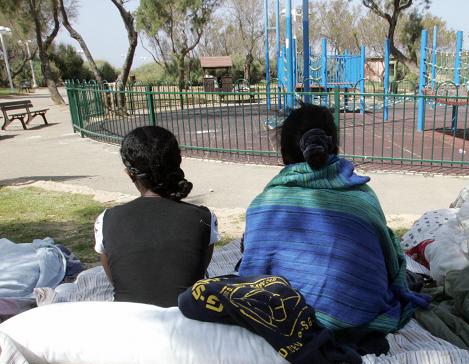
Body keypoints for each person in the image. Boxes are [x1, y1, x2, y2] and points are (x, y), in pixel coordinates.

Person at [238, 104, 428, 333]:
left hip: (286, 320)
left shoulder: (262, 206)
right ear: (334, 146)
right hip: (360, 316)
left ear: (284, 153)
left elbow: (252, 277)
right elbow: (388, 263)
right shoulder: (363, 198)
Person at [94, 126, 219, 307]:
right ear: (179, 162)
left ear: (129, 173)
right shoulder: (204, 219)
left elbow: (117, 282)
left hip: (128, 325)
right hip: (187, 323)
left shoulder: (106, 220)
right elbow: (198, 271)